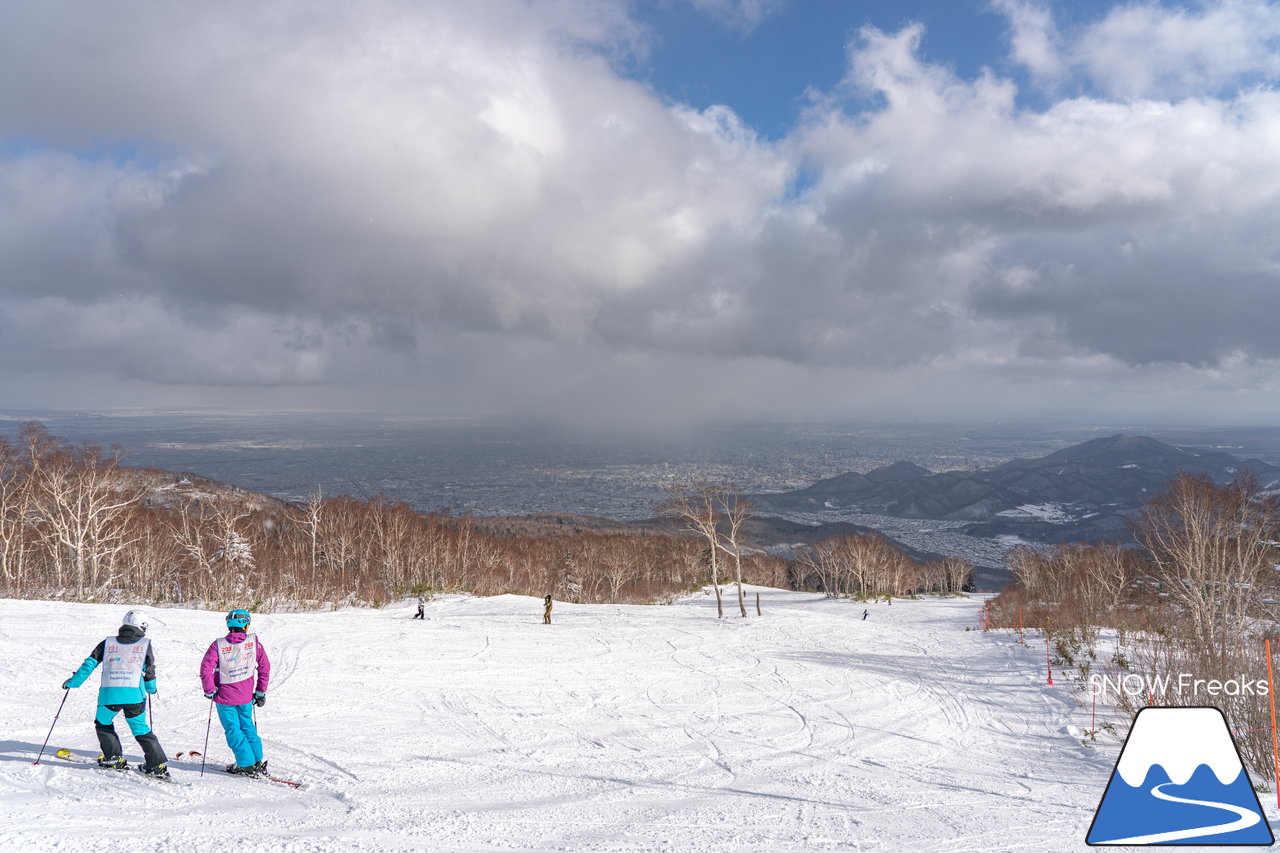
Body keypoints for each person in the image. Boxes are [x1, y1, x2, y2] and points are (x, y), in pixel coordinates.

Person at [62, 609, 170, 778]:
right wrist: (151, 688)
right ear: (142, 626)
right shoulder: (144, 644)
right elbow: (149, 669)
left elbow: (89, 664)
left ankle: (112, 758)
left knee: (103, 723)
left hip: (109, 694)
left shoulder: (107, 642)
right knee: (140, 728)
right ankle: (156, 764)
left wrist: (73, 683)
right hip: (134, 695)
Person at [200, 608, 271, 776]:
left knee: (233, 729)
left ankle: (246, 764)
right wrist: (260, 692)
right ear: (246, 625)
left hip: (225, 698)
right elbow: (264, 667)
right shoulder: (254, 643)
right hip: (245, 697)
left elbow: (205, 669)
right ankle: (256, 760)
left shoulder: (218, 645)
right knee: (247, 725)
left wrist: (209, 690)